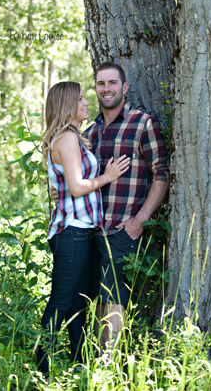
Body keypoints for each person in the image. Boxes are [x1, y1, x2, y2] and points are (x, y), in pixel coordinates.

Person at [36, 81, 130, 375]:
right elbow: (77, 188)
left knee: (77, 304)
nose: (87, 102)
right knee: (62, 302)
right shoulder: (66, 139)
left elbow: (66, 185)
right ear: (66, 105)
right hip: (71, 233)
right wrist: (109, 175)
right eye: (80, 99)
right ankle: (41, 368)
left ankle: (79, 365)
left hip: (80, 231)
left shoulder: (73, 137)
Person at [84, 62, 169, 353]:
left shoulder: (143, 123)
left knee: (115, 299)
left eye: (112, 83)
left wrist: (140, 220)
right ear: (95, 88)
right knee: (95, 300)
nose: (106, 89)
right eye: (100, 84)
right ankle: (95, 361)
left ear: (125, 87)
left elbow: (162, 173)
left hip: (123, 230)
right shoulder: (90, 132)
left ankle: (108, 367)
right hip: (91, 232)